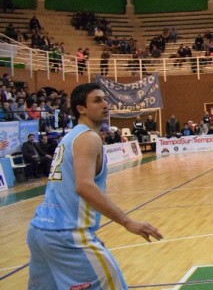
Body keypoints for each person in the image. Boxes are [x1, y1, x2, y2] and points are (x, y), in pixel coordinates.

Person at [26, 82, 163, 289]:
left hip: (40, 232)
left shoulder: (69, 138)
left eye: (105, 99)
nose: (105, 104)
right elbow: (84, 186)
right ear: (81, 109)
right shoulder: (88, 138)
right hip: (69, 235)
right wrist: (127, 222)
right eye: (97, 100)